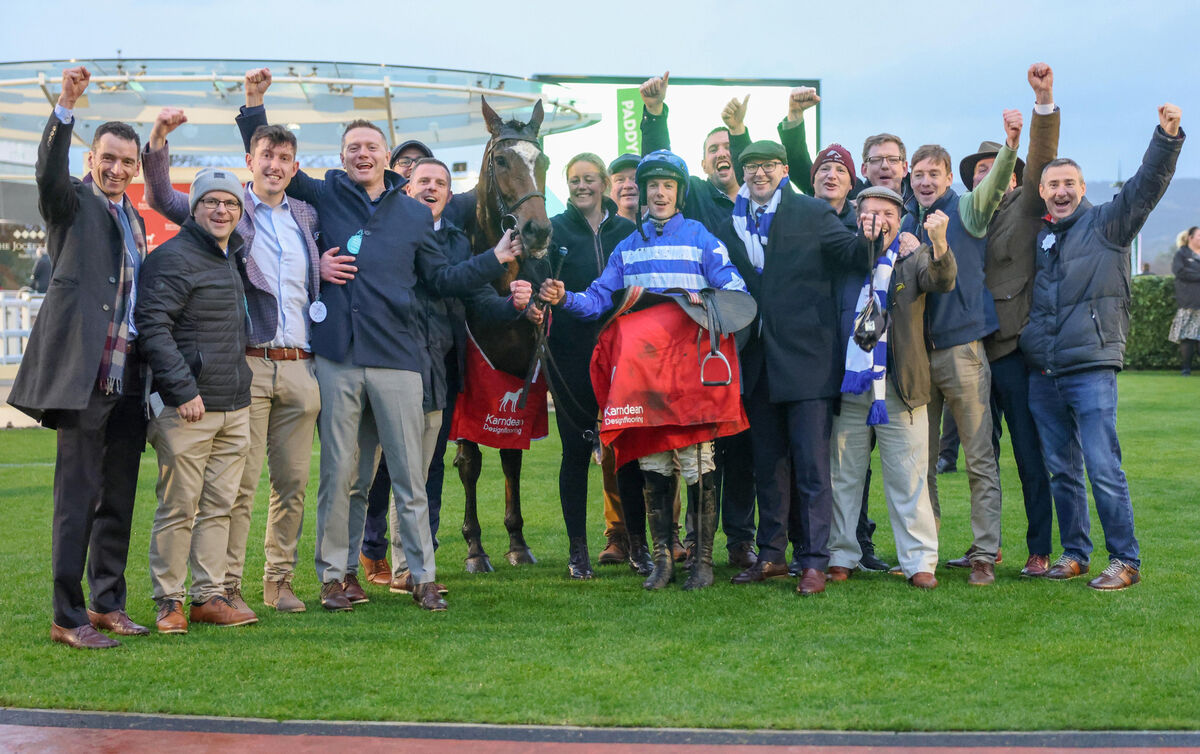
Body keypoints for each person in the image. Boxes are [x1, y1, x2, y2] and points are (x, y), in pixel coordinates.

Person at [237, 68, 520, 612]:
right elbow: (267, 158)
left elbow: (442, 279)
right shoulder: (324, 194)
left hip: (398, 360)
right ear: (342, 156)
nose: (361, 154)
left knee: (412, 477)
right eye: (352, 147)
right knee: (342, 477)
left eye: (370, 146)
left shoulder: (414, 213)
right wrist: (254, 105)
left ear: (388, 157)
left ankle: (423, 575)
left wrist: (494, 260)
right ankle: (336, 577)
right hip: (339, 358)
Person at [538, 149, 748, 591]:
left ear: (680, 193)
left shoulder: (701, 238)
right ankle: (662, 561)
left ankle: (703, 563)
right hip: (646, 377)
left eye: (667, 186)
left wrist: (698, 300)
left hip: (692, 371)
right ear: (644, 192)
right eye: (653, 186)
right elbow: (597, 299)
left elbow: (735, 293)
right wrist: (564, 298)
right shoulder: (627, 247)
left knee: (697, 462)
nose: (659, 193)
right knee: (653, 461)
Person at [142, 108, 321, 614]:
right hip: (248, 364)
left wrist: (324, 265)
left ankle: (279, 581)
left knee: (293, 485)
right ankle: (225, 586)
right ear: (250, 160)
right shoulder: (227, 209)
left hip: (301, 363)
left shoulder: (307, 216)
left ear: (293, 166)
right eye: (266, 155)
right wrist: (157, 142)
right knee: (237, 488)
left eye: (285, 158)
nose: (275, 165)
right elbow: (160, 196)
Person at [8, 66, 150, 649]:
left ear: (136, 168)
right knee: (76, 500)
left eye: (127, 162)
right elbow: (47, 172)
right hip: (83, 375)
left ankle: (106, 604)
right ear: (92, 159)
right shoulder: (69, 204)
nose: (116, 168)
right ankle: (67, 617)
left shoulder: (136, 220)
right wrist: (65, 106)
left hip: (129, 380)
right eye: (108, 158)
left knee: (117, 496)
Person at [1023, 103, 1185, 590]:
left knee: (1102, 467)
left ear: (1082, 188)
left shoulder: (1109, 225)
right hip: (1044, 373)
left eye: (1069, 182)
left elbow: (1146, 186)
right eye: (1053, 184)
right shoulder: (1042, 237)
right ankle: (1075, 554)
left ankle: (1125, 561)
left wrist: (1166, 137)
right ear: (1042, 193)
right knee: (1062, 473)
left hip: (1091, 367)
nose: (1062, 190)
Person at [719, 140, 871, 596]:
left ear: (784, 169)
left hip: (807, 360)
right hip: (758, 361)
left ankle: (813, 562)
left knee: (810, 468)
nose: (758, 174)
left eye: (767, 166)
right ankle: (770, 555)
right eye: (751, 167)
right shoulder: (732, 220)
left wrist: (875, 236)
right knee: (768, 465)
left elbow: (853, 255)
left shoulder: (811, 212)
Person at [639, 71, 758, 570]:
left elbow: (756, 166)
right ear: (706, 163)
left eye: (730, 147)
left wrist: (742, 133)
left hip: (756, 335)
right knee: (696, 445)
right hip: (702, 342)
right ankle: (689, 544)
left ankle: (739, 541)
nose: (722, 153)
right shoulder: (701, 204)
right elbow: (661, 177)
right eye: (713, 148)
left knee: (745, 449)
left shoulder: (763, 203)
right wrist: (654, 115)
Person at [901, 109, 1023, 586]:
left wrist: (1011, 144)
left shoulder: (967, 209)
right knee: (921, 460)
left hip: (962, 351)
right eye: (919, 173)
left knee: (978, 458)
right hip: (916, 356)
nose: (925, 180)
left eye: (934, 173)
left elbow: (993, 188)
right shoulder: (906, 215)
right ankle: (925, 554)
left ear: (949, 177)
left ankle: (983, 554)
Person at [137, 169, 256, 633]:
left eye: (230, 203)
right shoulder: (172, 258)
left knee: (219, 506)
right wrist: (183, 390)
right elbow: (154, 328)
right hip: (188, 408)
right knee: (178, 507)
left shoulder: (232, 256)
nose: (221, 210)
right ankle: (169, 602)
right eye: (211, 202)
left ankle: (208, 596)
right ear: (195, 208)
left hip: (234, 404)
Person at [828, 187, 955, 588]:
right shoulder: (845, 259)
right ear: (857, 218)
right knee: (843, 476)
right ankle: (840, 555)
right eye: (869, 213)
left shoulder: (912, 256)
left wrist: (938, 244)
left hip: (899, 385)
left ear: (898, 221)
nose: (877, 220)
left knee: (909, 476)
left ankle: (919, 562)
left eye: (886, 213)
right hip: (850, 386)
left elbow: (942, 278)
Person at [971, 63, 1061, 578]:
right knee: (978, 461)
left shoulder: (1027, 205)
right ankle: (986, 549)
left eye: (995, 166)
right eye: (978, 171)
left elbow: (1044, 157)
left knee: (1029, 456)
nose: (986, 174)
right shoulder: (965, 218)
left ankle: (1039, 547)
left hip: (1011, 353)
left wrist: (1042, 102)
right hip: (968, 354)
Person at [547, 153, 640, 578]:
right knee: (576, 451)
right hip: (570, 354)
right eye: (574, 180)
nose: (582, 186)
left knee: (629, 452)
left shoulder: (627, 230)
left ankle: (636, 544)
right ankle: (577, 550)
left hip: (624, 355)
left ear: (604, 183)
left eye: (589, 179)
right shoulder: (553, 230)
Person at [807, 144, 890, 574]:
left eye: (840, 169)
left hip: (860, 358)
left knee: (856, 460)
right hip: (816, 355)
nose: (831, 175)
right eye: (824, 169)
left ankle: (858, 541)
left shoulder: (862, 224)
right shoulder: (804, 217)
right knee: (830, 460)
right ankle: (821, 547)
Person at [1170, 226, 1200, 376]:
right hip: (1189, 301)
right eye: (1199, 236)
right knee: (1187, 337)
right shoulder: (1181, 254)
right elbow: (1180, 271)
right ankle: (1186, 368)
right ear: (1190, 237)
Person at [608, 153, 641, 224]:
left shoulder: (666, 223)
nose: (628, 185)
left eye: (635, 179)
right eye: (620, 180)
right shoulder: (597, 229)